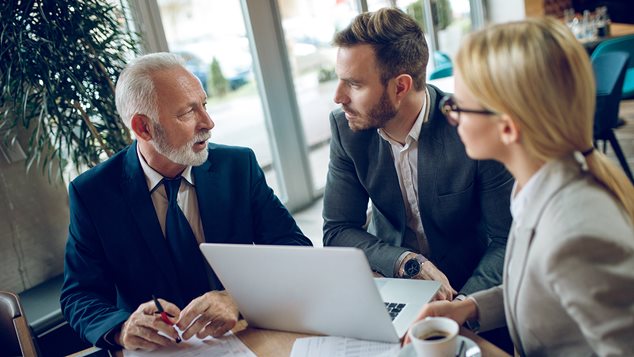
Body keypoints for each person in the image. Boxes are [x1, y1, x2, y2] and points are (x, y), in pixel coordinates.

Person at [407, 17, 634, 356]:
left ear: (508, 128)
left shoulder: (576, 233)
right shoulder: (538, 187)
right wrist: (470, 308)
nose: (451, 118)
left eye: (457, 107)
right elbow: (542, 288)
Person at [60, 52, 312, 351]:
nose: (208, 122)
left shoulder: (237, 166)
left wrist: (237, 297)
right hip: (161, 350)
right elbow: (80, 294)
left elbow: (295, 252)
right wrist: (123, 327)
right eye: (188, 113)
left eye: (204, 105)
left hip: (246, 336)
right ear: (143, 128)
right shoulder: (93, 193)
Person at [323, 7, 513, 301]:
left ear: (401, 86)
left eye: (355, 84)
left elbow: (506, 240)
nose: (338, 97)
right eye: (340, 80)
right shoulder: (345, 129)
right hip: (392, 282)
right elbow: (337, 230)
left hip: (473, 286)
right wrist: (405, 263)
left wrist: (463, 306)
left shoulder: (471, 126)